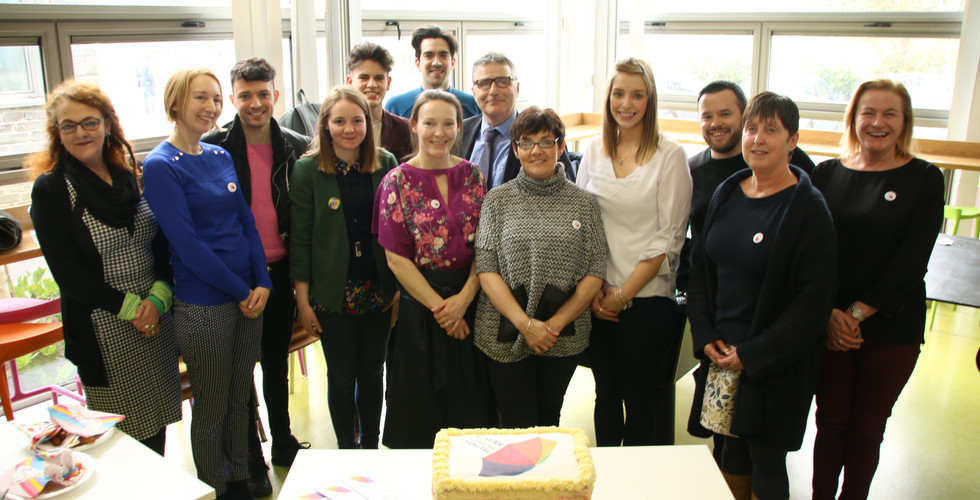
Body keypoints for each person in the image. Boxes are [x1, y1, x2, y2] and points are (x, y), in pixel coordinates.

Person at [686, 92, 837, 500]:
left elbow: (813, 302)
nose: (758, 138)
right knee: (727, 455)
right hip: (722, 355)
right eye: (752, 127)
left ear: (793, 140)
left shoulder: (808, 208)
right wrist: (705, 333)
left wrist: (753, 354)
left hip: (774, 363)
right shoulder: (728, 192)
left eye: (772, 130)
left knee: (766, 462)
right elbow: (699, 268)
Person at [28, 79, 180, 456]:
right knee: (122, 437)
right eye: (69, 125)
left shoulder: (128, 175)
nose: (81, 132)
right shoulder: (51, 190)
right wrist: (134, 310)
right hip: (105, 327)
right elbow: (68, 274)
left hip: (155, 320)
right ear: (57, 133)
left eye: (90, 122)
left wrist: (158, 300)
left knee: (156, 425)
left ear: (107, 125)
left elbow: (160, 243)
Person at [810, 79, 944, 500]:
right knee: (830, 423)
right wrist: (830, 313)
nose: (878, 122)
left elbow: (912, 261)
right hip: (829, 325)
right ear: (854, 118)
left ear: (904, 122)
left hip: (890, 329)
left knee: (867, 430)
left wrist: (855, 315)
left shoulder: (925, 179)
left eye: (890, 114)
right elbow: (812, 253)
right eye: (868, 112)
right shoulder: (827, 173)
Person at [143, 67, 272, 500]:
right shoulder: (161, 166)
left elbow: (246, 224)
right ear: (176, 104)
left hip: (249, 297)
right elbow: (188, 245)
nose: (211, 107)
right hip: (205, 306)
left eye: (216, 99)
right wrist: (242, 291)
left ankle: (239, 478)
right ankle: (213, 487)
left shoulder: (218, 156)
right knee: (213, 406)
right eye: (201, 98)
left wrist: (264, 283)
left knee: (241, 399)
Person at [201, 57, 310, 496]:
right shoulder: (213, 147)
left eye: (263, 93)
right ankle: (250, 457)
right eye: (245, 95)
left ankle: (282, 441)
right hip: (235, 275)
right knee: (239, 370)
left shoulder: (298, 144)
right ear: (233, 98)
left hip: (281, 271)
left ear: (275, 96)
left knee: (275, 361)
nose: (255, 103)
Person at [575, 57, 692, 447]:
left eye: (637, 95)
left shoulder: (670, 156)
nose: (627, 103)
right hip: (598, 299)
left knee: (640, 399)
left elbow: (668, 238)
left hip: (645, 299)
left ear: (650, 99)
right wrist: (595, 293)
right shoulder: (593, 151)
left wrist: (622, 295)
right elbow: (581, 224)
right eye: (619, 93)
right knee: (605, 395)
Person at [473, 106, 606, 428]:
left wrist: (554, 325)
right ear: (515, 149)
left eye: (547, 141)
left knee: (549, 417)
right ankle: (513, 480)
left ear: (561, 147)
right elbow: (486, 265)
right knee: (514, 421)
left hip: (563, 331)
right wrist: (525, 324)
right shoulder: (497, 200)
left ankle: (546, 481)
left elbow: (595, 269)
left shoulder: (583, 203)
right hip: (504, 327)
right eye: (527, 142)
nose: (537, 151)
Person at [373, 90, 492, 448]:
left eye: (448, 123)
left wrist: (463, 300)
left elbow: (484, 247)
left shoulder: (473, 176)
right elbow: (396, 258)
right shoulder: (396, 181)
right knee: (417, 417)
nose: (438, 132)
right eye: (429, 123)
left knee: (470, 415)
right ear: (414, 125)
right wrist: (444, 311)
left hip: (470, 303)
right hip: (420, 308)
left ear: (459, 127)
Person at [290, 86, 399, 450]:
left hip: (378, 290)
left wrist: (397, 290)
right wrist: (303, 301)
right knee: (339, 378)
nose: (349, 129)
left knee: (372, 375)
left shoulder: (386, 163)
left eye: (357, 121)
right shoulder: (307, 170)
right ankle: (346, 450)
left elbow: (397, 234)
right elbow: (301, 240)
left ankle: (369, 445)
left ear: (368, 124)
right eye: (339, 121)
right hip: (332, 291)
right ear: (325, 125)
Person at [459, 52, 576, 188]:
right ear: (473, 91)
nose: (493, 91)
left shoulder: (545, 136)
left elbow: (566, 191)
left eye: (503, 82)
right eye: (484, 83)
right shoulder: (458, 132)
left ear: (517, 88)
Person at [383, 25, 480, 119]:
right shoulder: (396, 107)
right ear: (418, 63)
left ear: (453, 62)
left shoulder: (473, 106)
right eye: (429, 56)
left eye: (443, 55)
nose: (436, 63)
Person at [346, 42, 413, 162]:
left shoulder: (405, 129)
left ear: (388, 83)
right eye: (364, 78)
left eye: (379, 78)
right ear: (349, 82)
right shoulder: (334, 126)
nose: (372, 84)